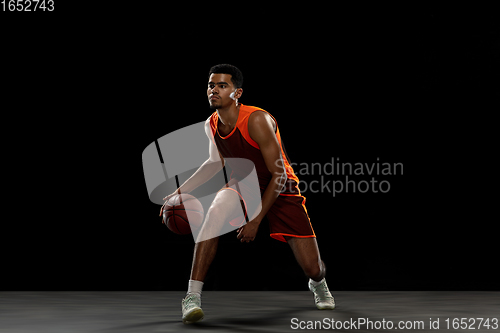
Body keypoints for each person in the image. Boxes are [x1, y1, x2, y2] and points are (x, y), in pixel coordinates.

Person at [160, 64, 335, 324]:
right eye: (211, 85)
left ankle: (318, 283)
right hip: (244, 183)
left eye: (222, 85)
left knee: (313, 267)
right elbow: (213, 163)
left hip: (281, 187)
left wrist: (255, 220)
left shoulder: (257, 120)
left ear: (237, 92)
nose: (214, 90)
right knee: (215, 213)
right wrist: (179, 191)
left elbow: (280, 176)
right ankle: (192, 296)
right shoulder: (212, 124)